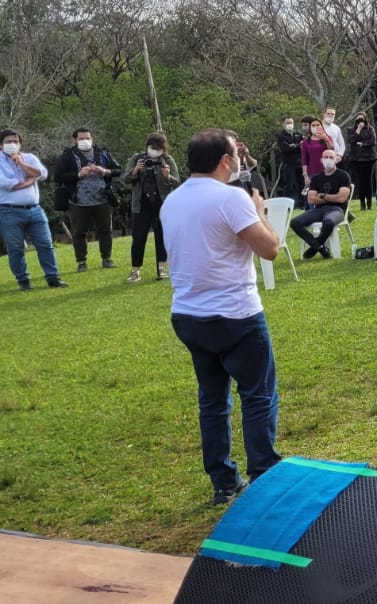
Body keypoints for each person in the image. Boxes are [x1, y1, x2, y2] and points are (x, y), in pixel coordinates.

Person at [162, 128, 284, 506]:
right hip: (235, 314)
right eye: (234, 155)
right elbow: (270, 250)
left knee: (212, 400)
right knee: (258, 395)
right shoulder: (231, 198)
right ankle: (263, 474)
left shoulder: (173, 200)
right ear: (224, 161)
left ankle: (223, 481)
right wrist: (261, 213)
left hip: (189, 315)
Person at [0, 129, 66, 290]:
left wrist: (21, 164)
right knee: (16, 248)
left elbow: (41, 174)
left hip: (35, 209)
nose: (13, 144)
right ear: (1, 144)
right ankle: (23, 281)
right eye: (9, 141)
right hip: (9, 211)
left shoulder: (29, 158)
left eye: (16, 141)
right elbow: (6, 184)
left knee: (45, 244)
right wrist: (29, 180)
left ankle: (53, 277)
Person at [53, 127, 120, 272]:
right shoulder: (67, 156)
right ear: (75, 140)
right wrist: (78, 174)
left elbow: (118, 170)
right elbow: (58, 177)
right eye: (81, 138)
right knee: (79, 232)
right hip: (78, 201)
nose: (85, 141)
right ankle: (81, 262)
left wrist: (104, 171)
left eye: (87, 138)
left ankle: (107, 259)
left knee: (105, 230)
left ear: (92, 138)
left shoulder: (103, 153)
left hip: (103, 199)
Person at [121, 132, 181, 283]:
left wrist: (167, 176)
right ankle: (135, 271)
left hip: (162, 205)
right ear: (147, 146)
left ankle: (162, 268)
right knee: (139, 238)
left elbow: (177, 182)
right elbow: (125, 179)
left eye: (158, 148)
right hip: (141, 205)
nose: (155, 150)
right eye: (152, 147)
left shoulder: (167, 160)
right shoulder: (137, 158)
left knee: (162, 237)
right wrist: (136, 170)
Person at [291, 149, 351, 259]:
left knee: (328, 222)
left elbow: (342, 198)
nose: (328, 160)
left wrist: (322, 196)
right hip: (318, 210)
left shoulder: (343, 176)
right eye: (326, 157)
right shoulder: (316, 178)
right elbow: (311, 199)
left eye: (331, 157)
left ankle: (314, 247)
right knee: (295, 222)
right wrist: (332, 197)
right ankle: (320, 247)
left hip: (337, 210)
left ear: (336, 160)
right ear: (321, 160)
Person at [348, 113, 377, 210]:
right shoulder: (350, 129)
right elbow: (352, 140)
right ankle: (362, 204)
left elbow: (373, 141)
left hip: (369, 158)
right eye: (358, 120)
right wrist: (358, 129)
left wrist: (363, 143)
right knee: (360, 181)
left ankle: (369, 203)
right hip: (356, 159)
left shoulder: (370, 129)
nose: (360, 122)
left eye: (362, 119)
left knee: (368, 181)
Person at [274, 116, 305, 203]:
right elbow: (285, 148)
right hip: (288, 163)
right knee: (289, 185)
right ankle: (286, 204)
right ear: (283, 124)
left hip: (299, 162)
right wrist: (297, 146)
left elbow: (303, 145)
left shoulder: (298, 134)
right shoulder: (281, 136)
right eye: (287, 123)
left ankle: (302, 204)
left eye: (291, 123)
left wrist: (294, 146)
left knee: (302, 184)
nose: (289, 125)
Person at [299, 119, 332, 198]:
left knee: (327, 193)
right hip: (312, 172)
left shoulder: (327, 138)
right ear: (310, 128)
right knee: (313, 196)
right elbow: (304, 160)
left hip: (327, 171)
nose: (316, 127)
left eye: (318, 125)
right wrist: (305, 175)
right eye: (313, 125)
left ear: (322, 126)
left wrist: (325, 139)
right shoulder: (306, 142)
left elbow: (332, 150)